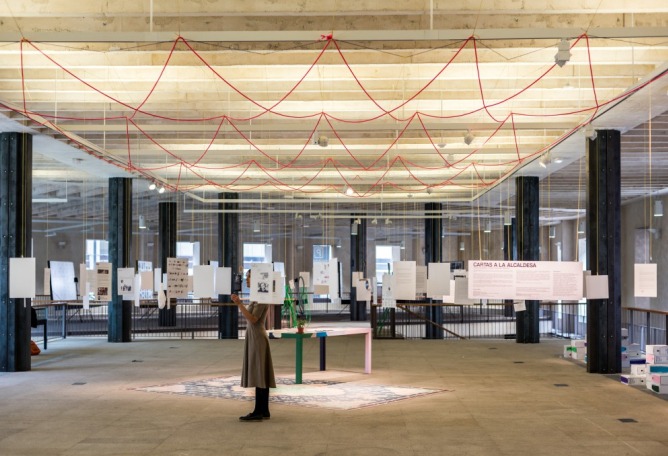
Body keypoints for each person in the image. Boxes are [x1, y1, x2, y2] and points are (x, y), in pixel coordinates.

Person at [231, 269, 276, 421]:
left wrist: (239, 304)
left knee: (259, 373)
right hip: (254, 337)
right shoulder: (257, 297)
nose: (246, 280)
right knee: (260, 372)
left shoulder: (261, 298)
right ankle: (263, 410)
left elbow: (253, 318)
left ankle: (259, 410)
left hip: (258, 338)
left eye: (248, 277)